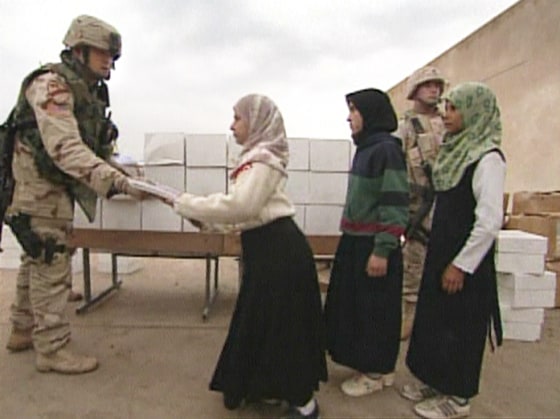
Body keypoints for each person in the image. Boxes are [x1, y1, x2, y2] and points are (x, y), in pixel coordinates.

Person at [172, 94, 327, 419]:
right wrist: (204, 217)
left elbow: (243, 207)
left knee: (284, 326)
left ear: (256, 121)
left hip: (279, 254)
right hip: (268, 250)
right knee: (262, 322)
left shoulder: (263, 160)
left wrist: (189, 204)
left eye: (238, 117)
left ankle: (303, 403)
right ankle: (265, 387)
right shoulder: (257, 159)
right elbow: (245, 214)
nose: (232, 125)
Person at [4, 15, 143, 374]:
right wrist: (114, 181)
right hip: (38, 191)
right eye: (103, 53)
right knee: (51, 261)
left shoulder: (88, 92)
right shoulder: (52, 85)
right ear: (79, 49)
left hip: (51, 190)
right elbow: (64, 147)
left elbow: (93, 146)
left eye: (112, 56)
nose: (109, 61)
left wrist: (123, 170)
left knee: (35, 259)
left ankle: (21, 329)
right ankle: (52, 348)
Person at [401, 82, 505, 419]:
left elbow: (489, 221)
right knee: (436, 322)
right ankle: (436, 382)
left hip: (465, 263)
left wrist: (461, 265)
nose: (446, 114)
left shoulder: (487, 159)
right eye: (446, 107)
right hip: (442, 252)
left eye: (455, 108)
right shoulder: (454, 151)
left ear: (474, 112)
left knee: (460, 327)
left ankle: (458, 397)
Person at [324, 88, 408, 397]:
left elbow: (396, 203)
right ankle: (379, 368)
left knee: (373, 311)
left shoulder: (386, 150)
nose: (349, 117)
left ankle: (373, 371)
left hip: (373, 245)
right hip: (356, 241)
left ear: (370, 114)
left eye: (354, 110)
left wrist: (383, 249)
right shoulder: (367, 148)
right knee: (357, 308)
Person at [393, 66, 446, 341]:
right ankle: (408, 319)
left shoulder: (447, 124)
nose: (434, 90)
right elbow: (395, 166)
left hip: (445, 202)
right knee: (413, 263)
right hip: (417, 205)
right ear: (415, 90)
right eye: (428, 85)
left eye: (437, 85)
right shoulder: (406, 127)